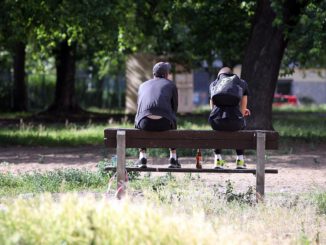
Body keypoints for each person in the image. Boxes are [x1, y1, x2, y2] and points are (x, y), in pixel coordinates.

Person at [134, 61, 180, 168]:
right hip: (164, 123)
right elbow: (175, 108)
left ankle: (142, 157)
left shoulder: (142, 85)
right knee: (172, 117)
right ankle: (173, 157)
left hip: (144, 123)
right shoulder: (171, 85)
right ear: (166, 74)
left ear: (154, 74)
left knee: (138, 115)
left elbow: (139, 106)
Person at [208, 67, 251, 169]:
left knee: (217, 130)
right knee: (242, 125)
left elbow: (212, 109)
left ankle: (218, 159)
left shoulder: (214, 84)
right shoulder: (241, 83)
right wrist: (242, 112)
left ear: (220, 76)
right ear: (231, 75)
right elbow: (243, 109)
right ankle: (240, 160)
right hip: (235, 122)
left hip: (217, 122)